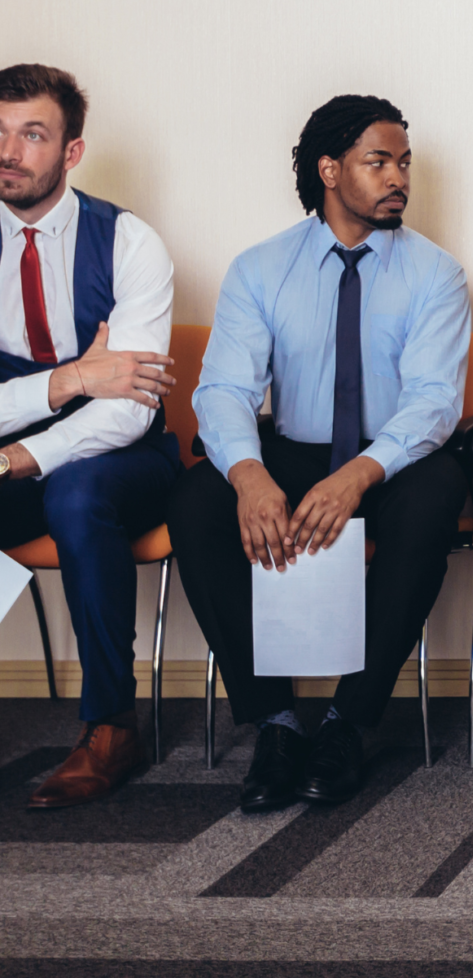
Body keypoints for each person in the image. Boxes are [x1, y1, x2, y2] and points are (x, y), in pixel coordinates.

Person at [167, 95, 470, 812]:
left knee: (436, 495)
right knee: (196, 502)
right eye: (379, 161)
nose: (398, 177)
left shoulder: (436, 274)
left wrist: (359, 476)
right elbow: (222, 390)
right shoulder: (260, 268)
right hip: (292, 450)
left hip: (387, 458)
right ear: (330, 170)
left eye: (404, 162)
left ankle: (346, 722)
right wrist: (247, 476)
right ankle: (273, 723)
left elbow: (432, 403)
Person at [0, 64, 178, 809]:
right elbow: (94, 388)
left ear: (72, 151)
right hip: (20, 454)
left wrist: (19, 453)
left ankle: (111, 725)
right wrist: (71, 378)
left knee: (75, 495)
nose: (9, 151)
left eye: (32, 135)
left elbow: (129, 407)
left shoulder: (131, 243)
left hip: (122, 462)